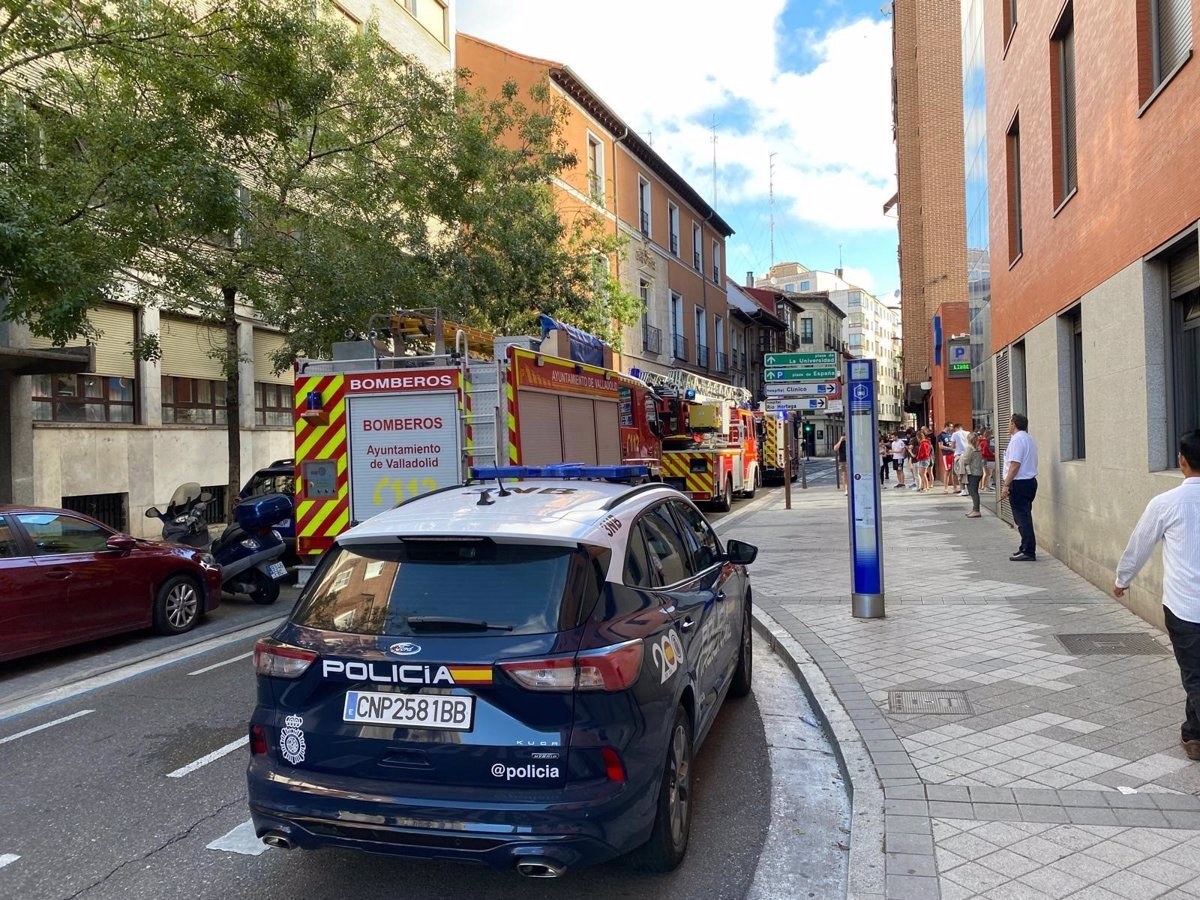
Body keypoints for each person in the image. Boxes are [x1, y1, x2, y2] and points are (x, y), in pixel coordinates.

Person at [1114, 431, 1200, 760]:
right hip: (1185, 607)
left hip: (1184, 607)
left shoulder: (1165, 503)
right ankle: (1193, 735)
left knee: (1194, 674)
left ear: (1182, 461)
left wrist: (1122, 579)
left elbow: (1140, 545)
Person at [1000, 413, 1039, 561]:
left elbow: (1015, 465)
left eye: (1009, 422)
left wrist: (1006, 485)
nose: (1008, 425)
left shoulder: (1017, 440)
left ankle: (1028, 551)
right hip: (1029, 482)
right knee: (1024, 516)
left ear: (1014, 424)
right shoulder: (1029, 439)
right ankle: (1025, 547)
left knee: (1022, 518)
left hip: (1020, 483)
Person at [962, 431, 984, 517]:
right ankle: (974, 509)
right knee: (975, 491)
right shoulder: (978, 448)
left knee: (973, 492)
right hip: (979, 472)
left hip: (972, 473)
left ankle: (976, 510)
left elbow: (966, 460)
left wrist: (961, 457)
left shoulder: (969, 448)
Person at [952, 422, 971, 496]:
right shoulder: (968, 433)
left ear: (956, 428)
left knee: (960, 473)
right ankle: (968, 489)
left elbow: (953, 446)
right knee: (968, 472)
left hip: (959, 455)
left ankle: (963, 490)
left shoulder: (955, 434)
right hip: (967, 455)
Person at [938, 422, 957, 493]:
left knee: (954, 471)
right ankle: (945, 488)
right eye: (951, 426)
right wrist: (950, 449)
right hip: (947, 455)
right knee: (947, 471)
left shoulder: (951, 434)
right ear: (946, 426)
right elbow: (940, 446)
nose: (952, 428)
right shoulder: (941, 435)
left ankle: (954, 487)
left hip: (953, 454)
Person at [980, 427, 996, 492]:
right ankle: (985, 486)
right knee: (987, 473)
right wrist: (993, 454)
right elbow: (985, 452)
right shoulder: (985, 442)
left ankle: (984, 486)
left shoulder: (981, 442)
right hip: (986, 459)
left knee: (986, 473)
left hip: (983, 459)